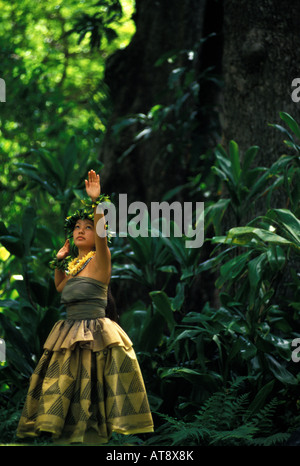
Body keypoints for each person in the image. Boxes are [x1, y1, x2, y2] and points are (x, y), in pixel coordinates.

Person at [17, 170, 154, 444]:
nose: (81, 230)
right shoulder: (73, 267)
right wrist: (59, 262)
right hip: (67, 335)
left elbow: (102, 235)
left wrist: (96, 204)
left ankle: (92, 436)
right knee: (61, 389)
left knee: (90, 392)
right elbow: (61, 289)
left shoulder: (100, 260)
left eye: (87, 227)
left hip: (94, 335)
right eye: (77, 227)